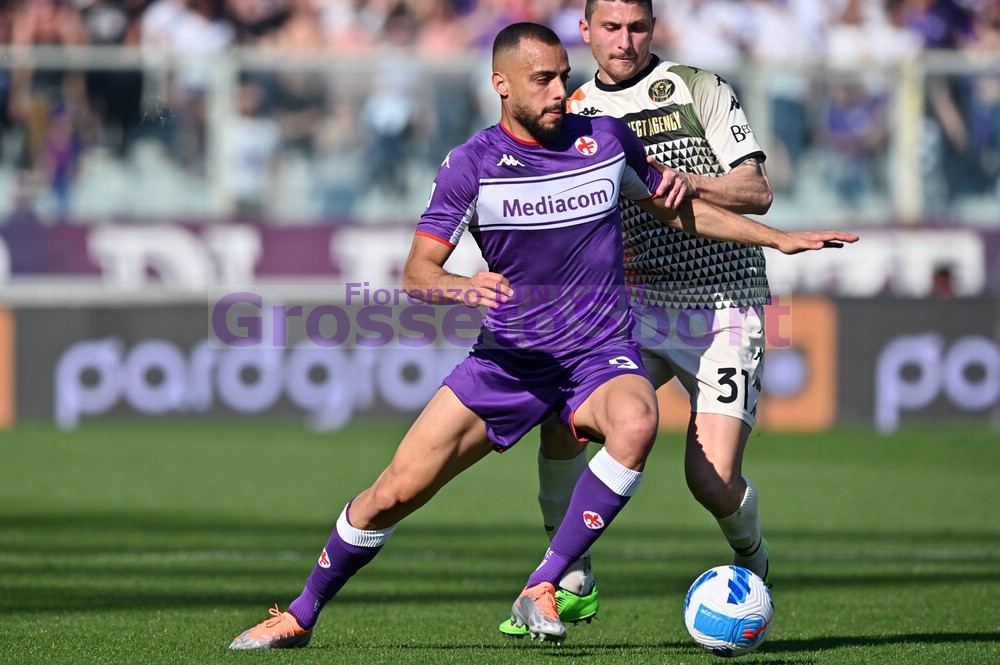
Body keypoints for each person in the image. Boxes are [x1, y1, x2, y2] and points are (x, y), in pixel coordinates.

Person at [230, 22, 856, 650]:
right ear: (501, 84)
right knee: (392, 492)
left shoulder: (606, 139)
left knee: (637, 422)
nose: (561, 91)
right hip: (510, 361)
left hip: (597, 353)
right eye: (543, 80)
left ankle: (546, 583)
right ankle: (300, 614)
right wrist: (461, 286)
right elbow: (417, 273)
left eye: (563, 76)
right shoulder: (471, 165)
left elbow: (676, 209)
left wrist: (778, 239)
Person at [498, 0, 799, 636]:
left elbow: (757, 191)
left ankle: (754, 558)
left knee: (711, 482)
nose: (624, 41)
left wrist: (683, 180)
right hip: (633, 309)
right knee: (561, 421)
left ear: (653, 29)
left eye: (637, 27)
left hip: (721, 305)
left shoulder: (698, 88)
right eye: (611, 28)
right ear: (586, 31)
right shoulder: (572, 108)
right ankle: (571, 579)